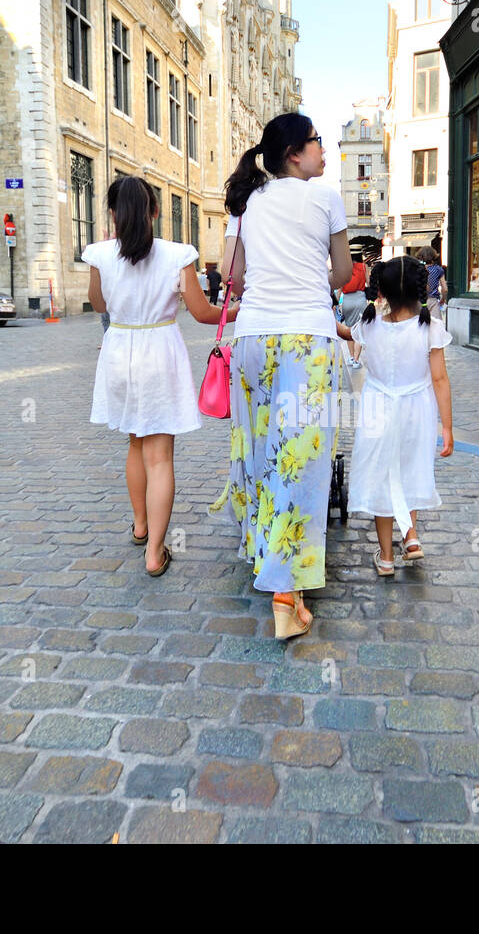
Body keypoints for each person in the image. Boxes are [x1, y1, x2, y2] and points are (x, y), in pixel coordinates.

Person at [214, 112, 353, 639]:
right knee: (301, 460)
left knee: (258, 449)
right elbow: (342, 274)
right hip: (306, 340)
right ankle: (285, 592)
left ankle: (263, 555)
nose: (323, 150)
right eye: (318, 142)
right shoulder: (326, 198)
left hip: (252, 340)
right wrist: (306, 279)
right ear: (296, 152)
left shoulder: (248, 202)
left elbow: (237, 276)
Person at [84, 177, 238, 577]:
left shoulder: (100, 254)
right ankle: (154, 552)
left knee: (135, 443)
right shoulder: (177, 255)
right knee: (159, 456)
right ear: (154, 212)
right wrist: (241, 310)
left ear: (113, 214)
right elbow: (203, 313)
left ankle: (140, 526)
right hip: (158, 350)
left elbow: (99, 303)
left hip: (119, 350)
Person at [349, 255, 454, 577]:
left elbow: (347, 335)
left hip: (378, 407)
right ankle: (410, 537)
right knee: (411, 468)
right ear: (421, 288)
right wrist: (447, 427)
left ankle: (385, 558)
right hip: (416, 410)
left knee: (382, 476)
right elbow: (439, 379)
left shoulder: (367, 325)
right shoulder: (431, 327)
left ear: (381, 291)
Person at [338, 248, 369, 368]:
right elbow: (369, 283)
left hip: (347, 300)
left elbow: (339, 288)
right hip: (360, 299)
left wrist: (336, 303)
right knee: (359, 329)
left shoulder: (344, 268)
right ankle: (356, 360)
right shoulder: (363, 267)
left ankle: (351, 357)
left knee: (349, 329)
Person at [418, 245, 447, 318]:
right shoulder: (438, 269)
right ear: (434, 256)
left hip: (418, 302)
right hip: (433, 301)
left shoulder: (417, 269)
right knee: (436, 326)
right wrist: (443, 299)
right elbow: (445, 289)